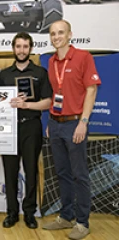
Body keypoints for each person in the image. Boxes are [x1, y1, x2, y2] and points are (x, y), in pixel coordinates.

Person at [42, 20, 101, 240]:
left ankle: (82, 222)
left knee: (80, 175)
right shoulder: (51, 61)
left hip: (75, 124)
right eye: (52, 33)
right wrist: (50, 122)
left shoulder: (83, 57)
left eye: (60, 33)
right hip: (56, 124)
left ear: (69, 35)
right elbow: (55, 95)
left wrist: (83, 122)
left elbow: (91, 90)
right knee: (62, 174)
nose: (56, 36)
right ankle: (65, 216)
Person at [0, 32, 52, 229]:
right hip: (9, 128)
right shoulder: (4, 75)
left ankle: (29, 212)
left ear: (30, 49)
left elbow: (48, 102)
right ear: (13, 48)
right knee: (10, 172)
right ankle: (12, 212)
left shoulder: (40, 73)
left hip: (31, 126)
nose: (21, 50)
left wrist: (27, 105)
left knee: (31, 171)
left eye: (25, 46)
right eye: (18, 46)